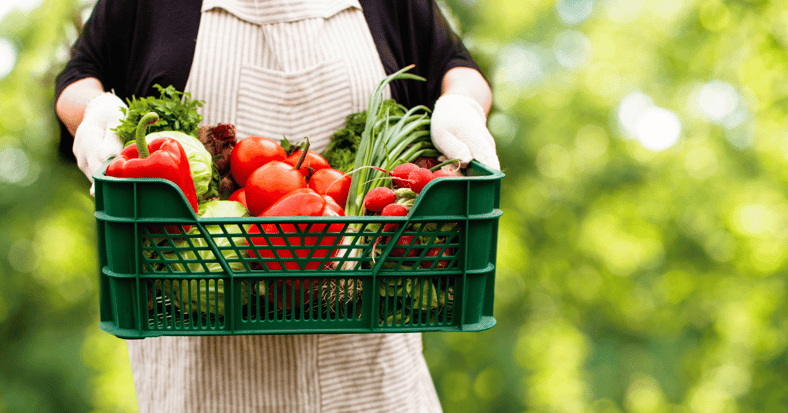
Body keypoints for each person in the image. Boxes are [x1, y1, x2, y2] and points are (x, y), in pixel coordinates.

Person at [55, 0, 500, 411]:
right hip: (200, 383)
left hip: (375, 382)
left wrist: (460, 104)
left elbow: (457, 67)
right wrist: (95, 113)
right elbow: (79, 76)